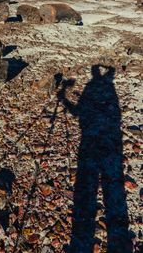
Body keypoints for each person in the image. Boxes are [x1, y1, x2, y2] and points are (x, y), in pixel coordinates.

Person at [59, 65, 132, 253]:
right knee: (112, 189)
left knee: (87, 189)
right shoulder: (108, 91)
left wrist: (64, 98)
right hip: (110, 140)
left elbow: (78, 113)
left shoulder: (98, 89)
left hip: (90, 141)